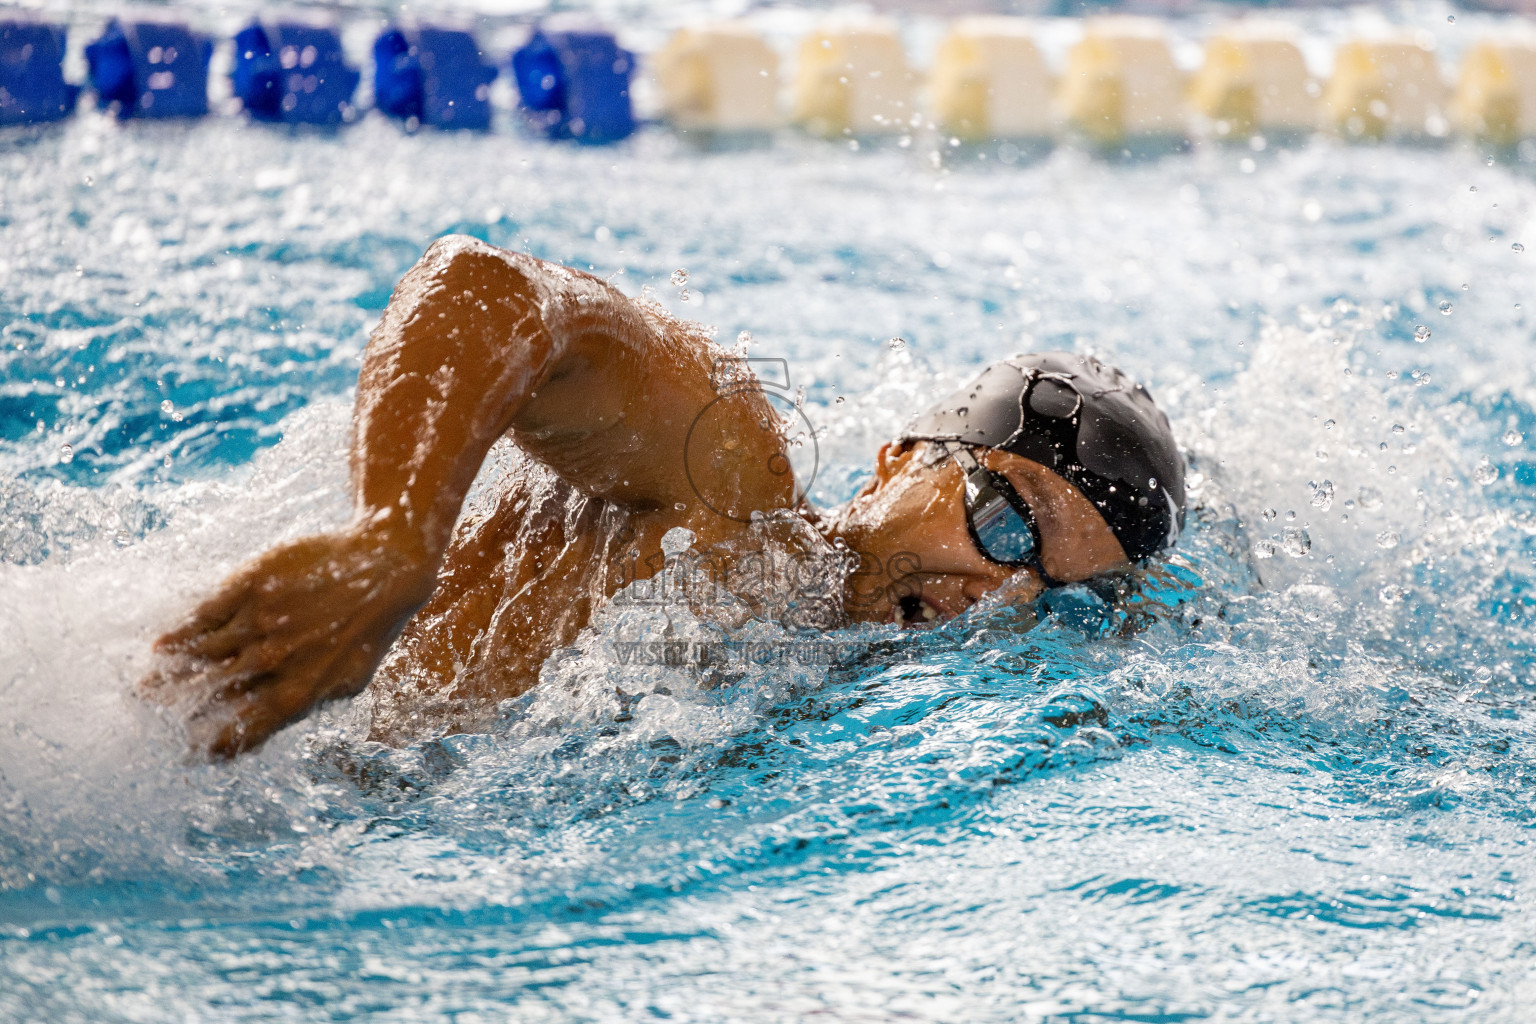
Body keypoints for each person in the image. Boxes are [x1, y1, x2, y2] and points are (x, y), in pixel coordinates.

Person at [139, 236, 1185, 758]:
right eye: (1009, 523)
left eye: (1050, 593)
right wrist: (394, 535)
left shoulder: (815, 694)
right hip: (188, 719)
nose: (999, 598)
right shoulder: (732, 484)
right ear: (900, 458)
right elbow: (486, 289)